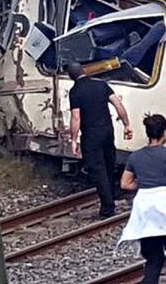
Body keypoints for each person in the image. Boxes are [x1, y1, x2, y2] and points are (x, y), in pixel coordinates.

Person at [117, 114, 166, 284]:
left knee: (153, 257)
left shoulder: (135, 156)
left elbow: (125, 183)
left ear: (148, 133)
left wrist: (143, 183)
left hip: (144, 207)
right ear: (164, 133)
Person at [68, 61, 134, 218]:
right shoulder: (101, 85)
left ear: (71, 76)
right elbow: (118, 104)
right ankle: (112, 195)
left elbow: (76, 117)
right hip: (107, 130)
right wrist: (127, 124)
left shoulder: (75, 91)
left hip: (91, 134)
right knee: (109, 163)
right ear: (84, 71)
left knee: (97, 169)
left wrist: (73, 139)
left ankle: (107, 208)